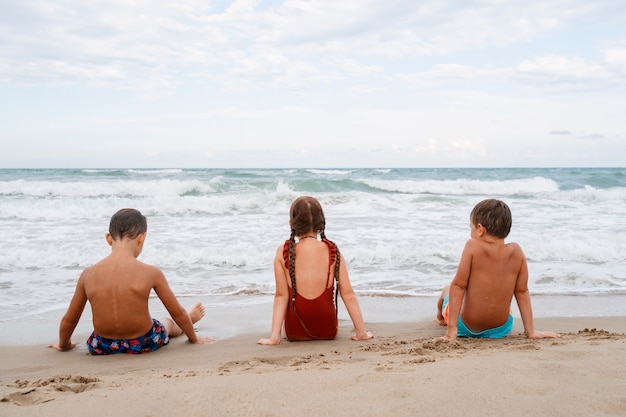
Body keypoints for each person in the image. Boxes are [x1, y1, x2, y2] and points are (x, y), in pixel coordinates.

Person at [49, 208, 214, 355]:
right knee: (167, 323)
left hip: (103, 345)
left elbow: (70, 319)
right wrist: (194, 339)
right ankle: (191, 321)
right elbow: (177, 313)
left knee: (161, 323)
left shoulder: (88, 274)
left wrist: (64, 345)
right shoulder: (151, 272)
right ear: (142, 238)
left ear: (108, 239)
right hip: (144, 342)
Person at [436, 199, 560, 340]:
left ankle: (440, 317)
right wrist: (531, 332)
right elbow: (522, 292)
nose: (470, 233)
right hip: (502, 329)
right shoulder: (517, 251)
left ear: (480, 229)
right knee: (506, 307)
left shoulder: (473, 246)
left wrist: (452, 331)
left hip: (465, 328)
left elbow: (458, 286)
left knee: (448, 290)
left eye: (470, 228)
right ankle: (527, 330)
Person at [257, 196, 373, 345]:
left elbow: (281, 296)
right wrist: (361, 333)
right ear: (321, 223)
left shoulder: (283, 252)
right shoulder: (333, 251)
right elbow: (348, 294)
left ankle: (275, 337)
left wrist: (274, 338)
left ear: (291, 224)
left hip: (295, 331)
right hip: (328, 330)